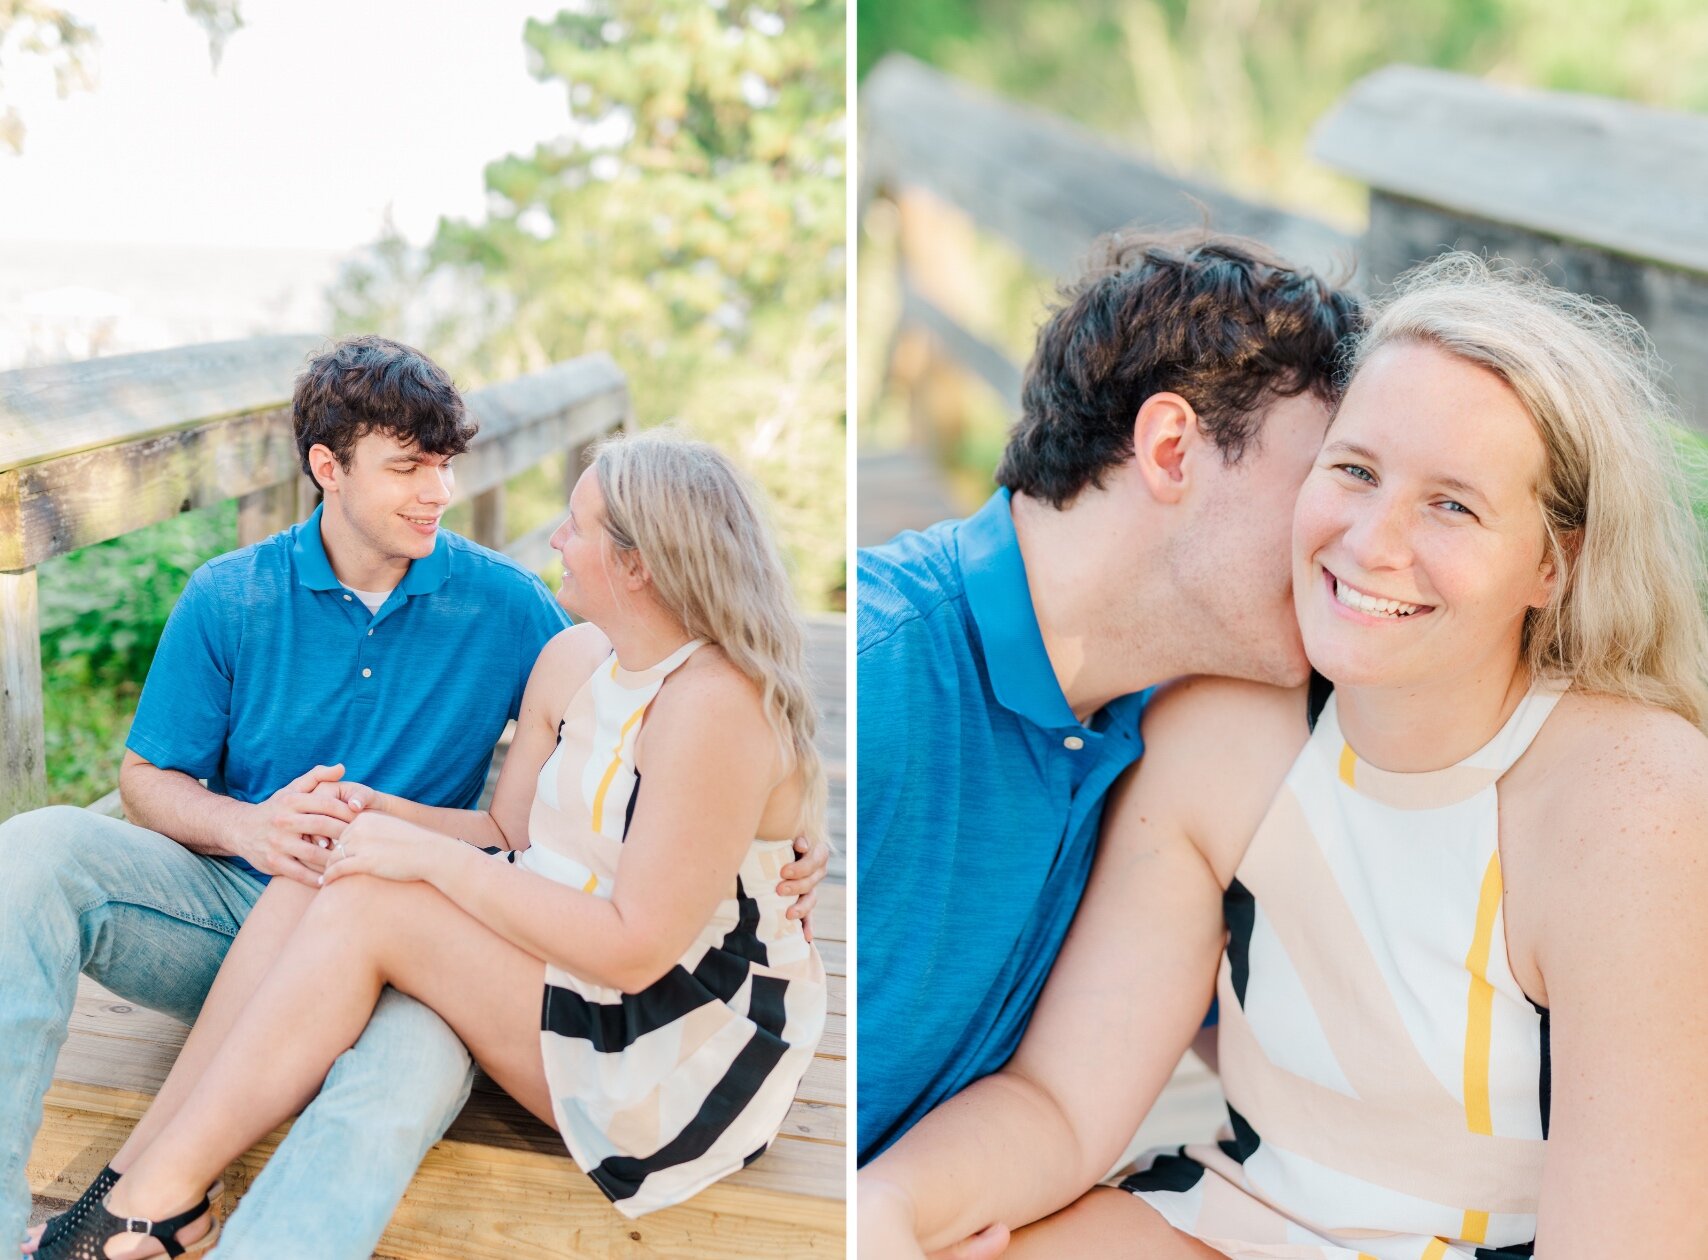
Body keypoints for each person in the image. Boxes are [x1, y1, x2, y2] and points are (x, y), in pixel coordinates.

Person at [860, 255, 1708, 1258]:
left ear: (1550, 562)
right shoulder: (1217, 730)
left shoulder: (1636, 805)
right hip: (1242, 1217)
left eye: (1452, 505)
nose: (1371, 539)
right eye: (1350, 470)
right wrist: (885, 1215)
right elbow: (1058, 1102)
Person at [5, 337, 829, 1259]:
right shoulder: (239, 597)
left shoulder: (520, 610)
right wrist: (297, 820)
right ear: (327, 468)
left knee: (381, 1000)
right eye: (408, 467)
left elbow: (698, 777)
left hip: (571, 982)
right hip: (320, 912)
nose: (441, 492)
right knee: (81, 852)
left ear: (639, 560)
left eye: (444, 465)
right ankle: (134, 1200)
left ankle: (145, 1203)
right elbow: (513, 828)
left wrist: (794, 833)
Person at [856, 229, 1361, 1163]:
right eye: (1334, 476)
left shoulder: (1168, 723)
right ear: (1172, 448)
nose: (1349, 539)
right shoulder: (878, 678)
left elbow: (1285, 1056)